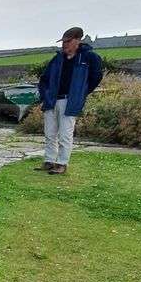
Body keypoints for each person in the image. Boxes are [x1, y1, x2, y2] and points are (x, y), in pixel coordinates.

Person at [37, 26, 103, 174]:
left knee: (65, 134)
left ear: (77, 41)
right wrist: (44, 95)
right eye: (63, 42)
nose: (64, 44)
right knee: (49, 133)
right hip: (52, 99)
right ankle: (49, 160)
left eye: (68, 41)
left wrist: (81, 93)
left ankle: (62, 163)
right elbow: (44, 78)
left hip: (70, 100)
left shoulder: (89, 58)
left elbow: (95, 77)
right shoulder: (57, 58)